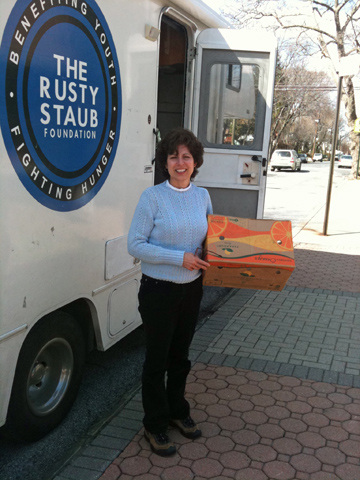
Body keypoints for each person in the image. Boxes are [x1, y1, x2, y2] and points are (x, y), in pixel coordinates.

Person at [128, 128, 212, 457]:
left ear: (195, 162)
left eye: (186, 156)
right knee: (157, 360)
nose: (180, 162)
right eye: (174, 156)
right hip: (158, 290)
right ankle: (155, 422)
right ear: (165, 161)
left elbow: (210, 238)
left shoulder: (202, 196)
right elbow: (135, 245)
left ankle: (177, 411)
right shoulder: (152, 198)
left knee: (180, 357)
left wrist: (216, 253)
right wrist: (180, 258)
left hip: (191, 290)